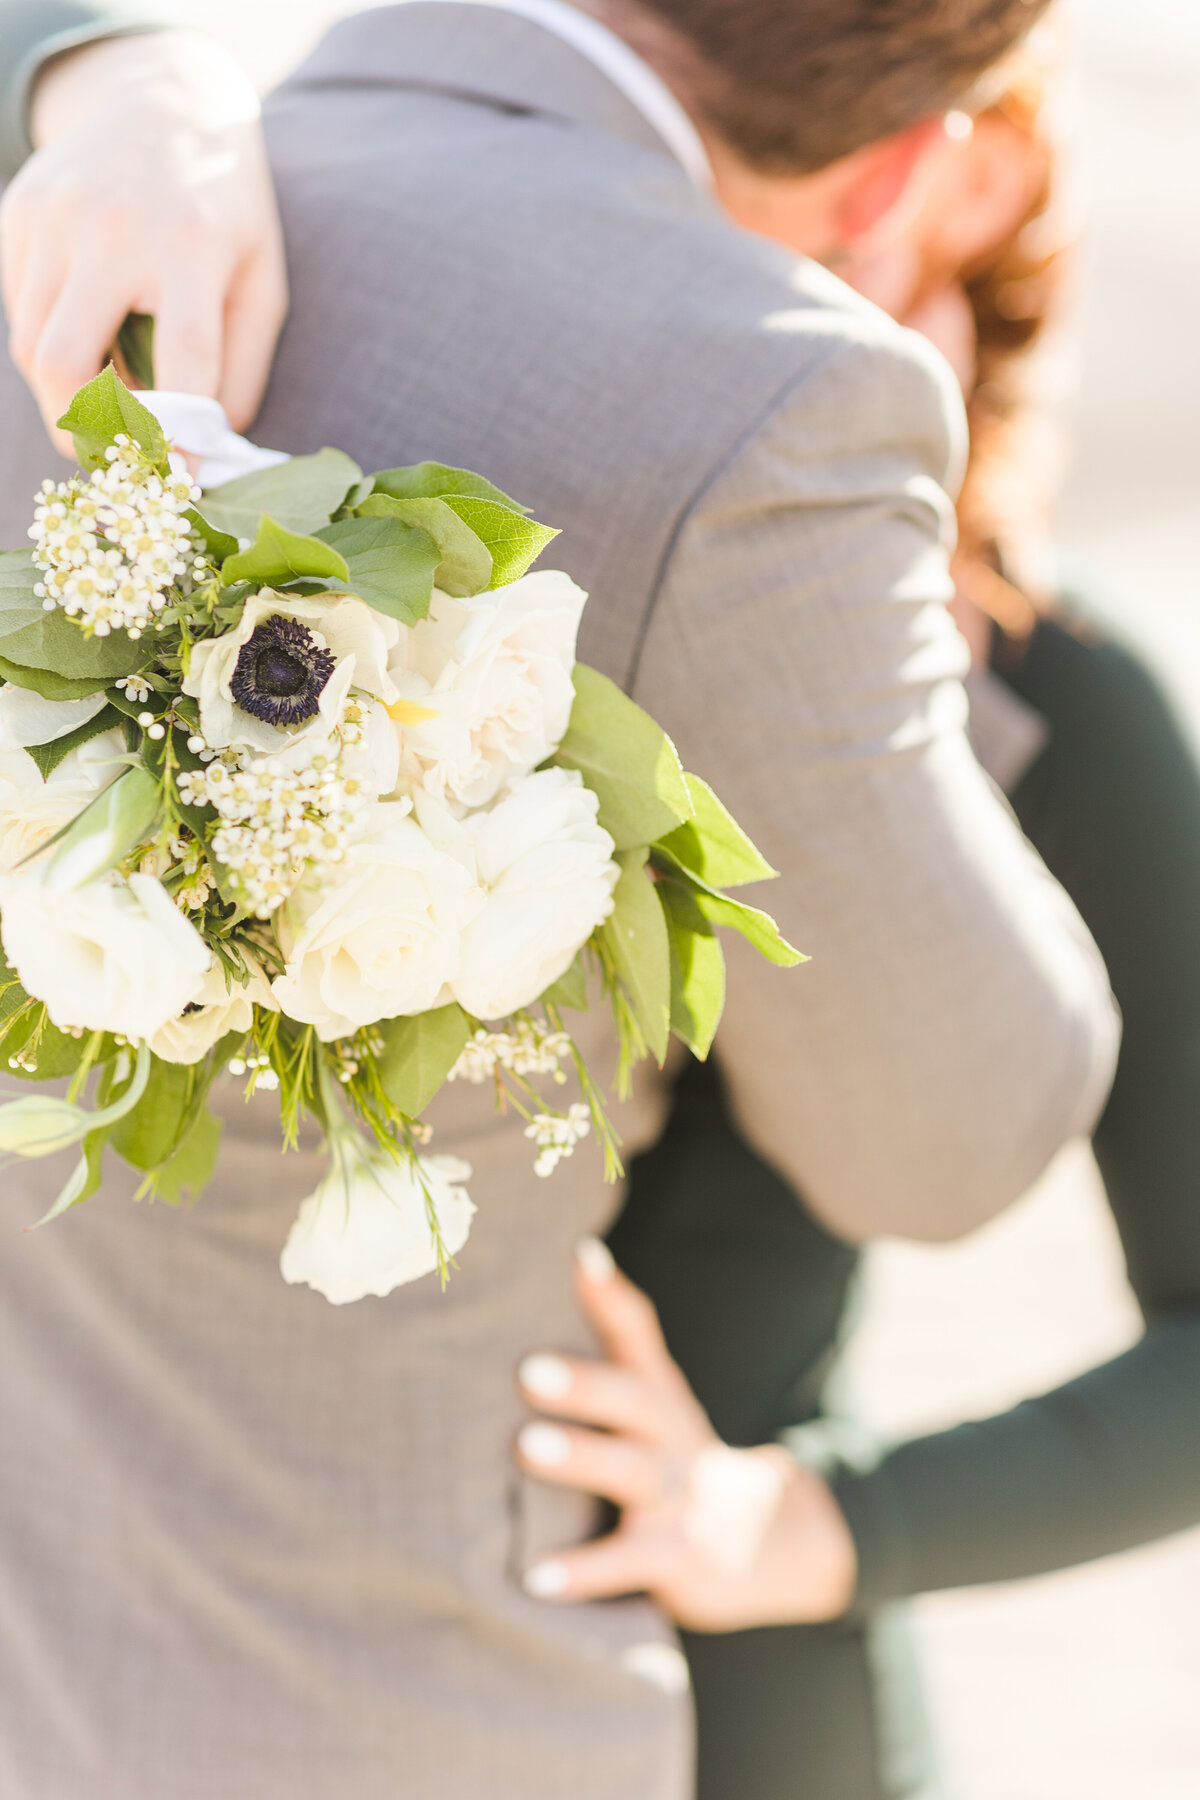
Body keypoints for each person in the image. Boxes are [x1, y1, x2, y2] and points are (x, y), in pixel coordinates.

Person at [0, 4, 1118, 1797]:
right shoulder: (771, 391)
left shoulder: (79, 176)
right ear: (902, 162)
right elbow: (953, 1136)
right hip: (400, 1705)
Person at [514, 45, 1200, 1799]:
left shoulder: (1065, 703)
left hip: (735, 1720)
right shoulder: (488, 560)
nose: (817, 356)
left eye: (896, 286)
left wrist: (819, 1521)